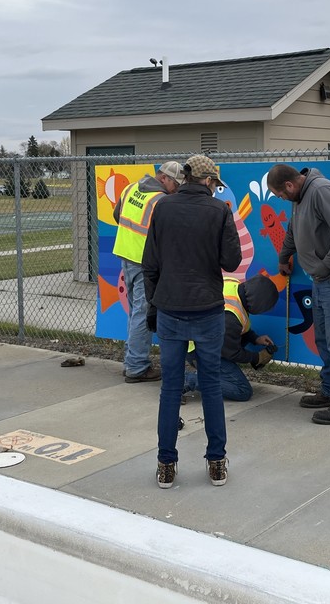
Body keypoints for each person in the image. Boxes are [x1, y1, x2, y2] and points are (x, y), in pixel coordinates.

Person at [143, 154, 241, 489]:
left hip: (170, 307)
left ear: (185, 178)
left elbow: (150, 264)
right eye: (215, 183)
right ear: (209, 181)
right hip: (207, 307)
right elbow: (231, 261)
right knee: (211, 385)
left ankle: (166, 464)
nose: (215, 188)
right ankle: (216, 461)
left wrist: (152, 307)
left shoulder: (164, 208)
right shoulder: (219, 210)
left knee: (170, 388)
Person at [266, 164, 330, 425]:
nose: (282, 200)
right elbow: (293, 230)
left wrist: (324, 267)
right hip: (322, 280)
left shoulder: (321, 191)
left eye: (280, 196)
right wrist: (284, 255)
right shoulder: (300, 197)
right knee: (323, 339)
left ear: (289, 185)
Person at [112, 161, 184, 382]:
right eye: (176, 184)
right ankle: (137, 367)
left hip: (126, 257)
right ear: (164, 178)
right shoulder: (161, 201)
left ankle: (132, 360)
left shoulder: (130, 188)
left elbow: (117, 216)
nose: (178, 189)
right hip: (145, 264)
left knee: (136, 313)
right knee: (143, 315)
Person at [182, 275, 279, 402]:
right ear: (258, 304)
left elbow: (237, 330)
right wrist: (256, 358)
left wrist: (255, 338)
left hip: (199, 340)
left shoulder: (234, 285)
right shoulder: (230, 318)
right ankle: (188, 379)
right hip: (200, 352)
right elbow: (232, 353)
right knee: (242, 390)